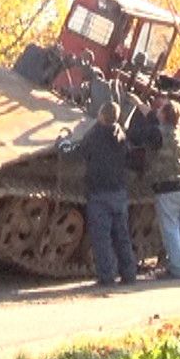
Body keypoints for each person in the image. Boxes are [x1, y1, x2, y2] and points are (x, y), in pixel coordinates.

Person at [62, 101, 137, 287]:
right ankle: (129, 274)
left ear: (102, 115)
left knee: (101, 238)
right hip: (119, 192)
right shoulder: (121, 135)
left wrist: (62, 142)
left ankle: (107, 277)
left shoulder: (95, 135)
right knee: (122, 236)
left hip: (99, 193)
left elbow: (77, 152)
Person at [129, 96, 180, 279]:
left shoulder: (157, 134)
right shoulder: (178, 132)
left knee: (170, 229)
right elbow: (154, 122)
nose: (157, 110)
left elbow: (137, 135)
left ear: (164, 115)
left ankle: (177, 269)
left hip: (168, 188)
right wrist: (140, 105)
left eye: (160, 109)